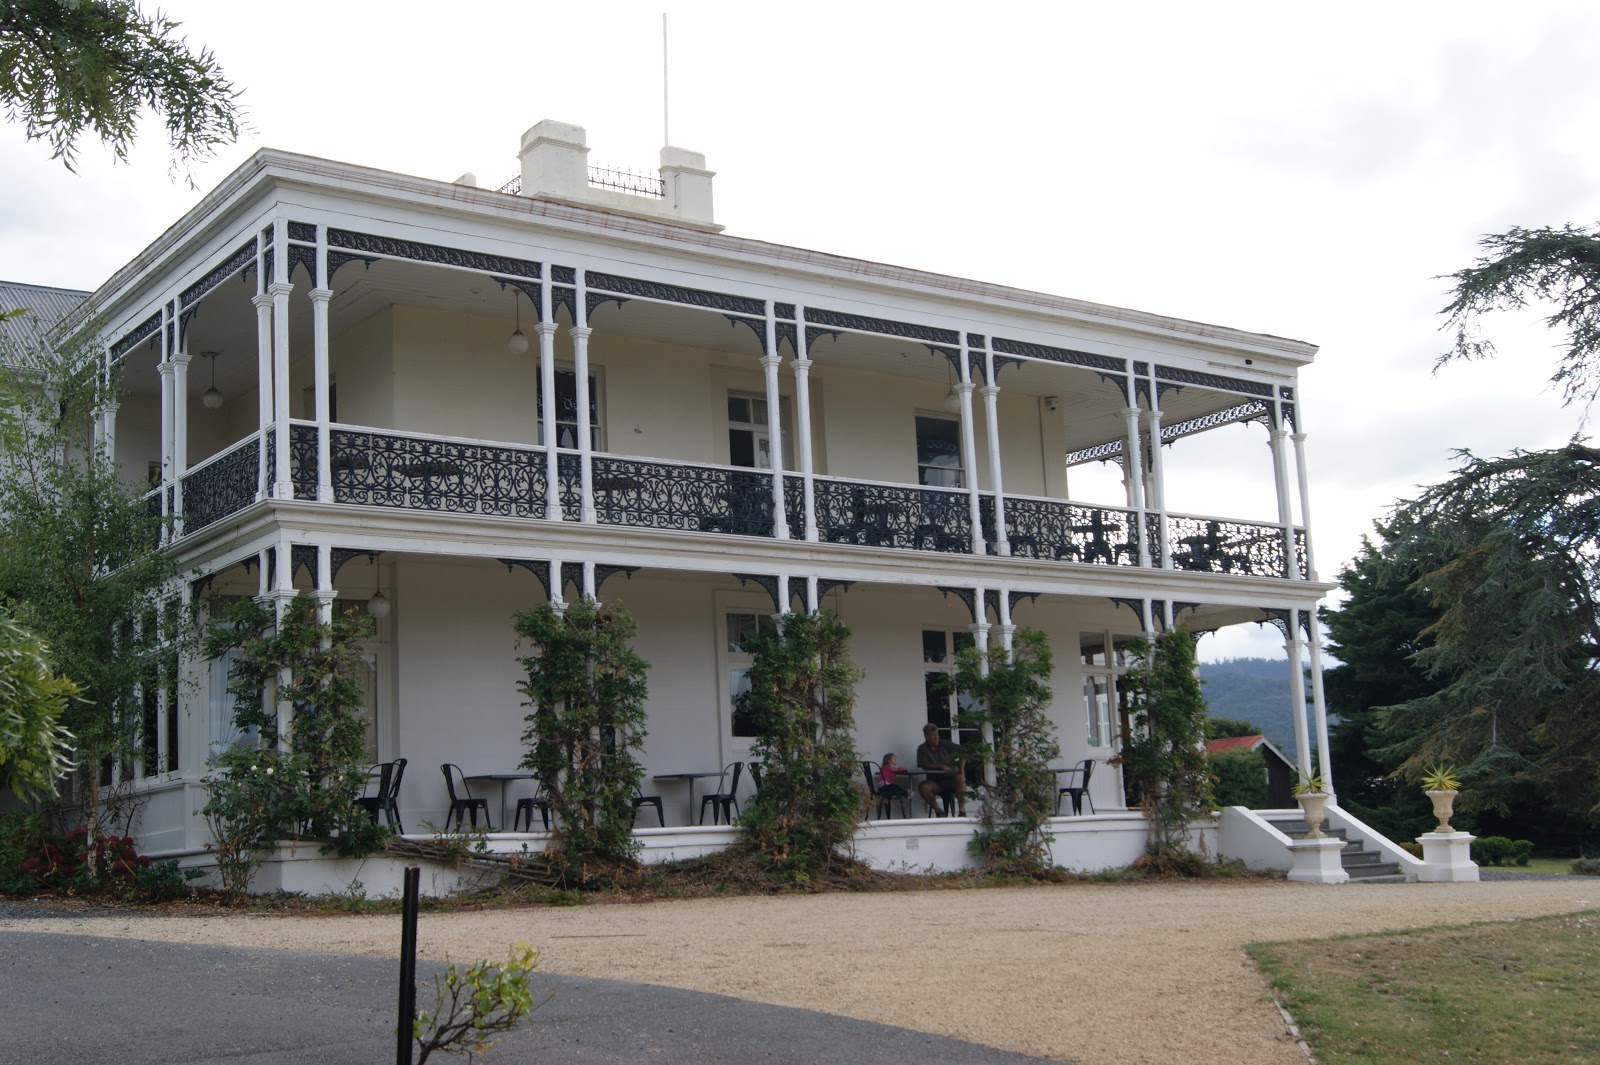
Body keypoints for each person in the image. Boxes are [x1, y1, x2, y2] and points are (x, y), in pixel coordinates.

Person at [915, 724, 966, 816]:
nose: (936, 737)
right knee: (923, 788)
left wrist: (961, 769)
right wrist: (940, 766)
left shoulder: (946, 744)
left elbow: (964, 752)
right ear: (926, 737)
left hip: (951, 779)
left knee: (961, 778)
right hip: (935, 781)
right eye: (933, 735)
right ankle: (939, 811)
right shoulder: (922, 748)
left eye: (937, 734)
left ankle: (962, 811)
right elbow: (923, 765)